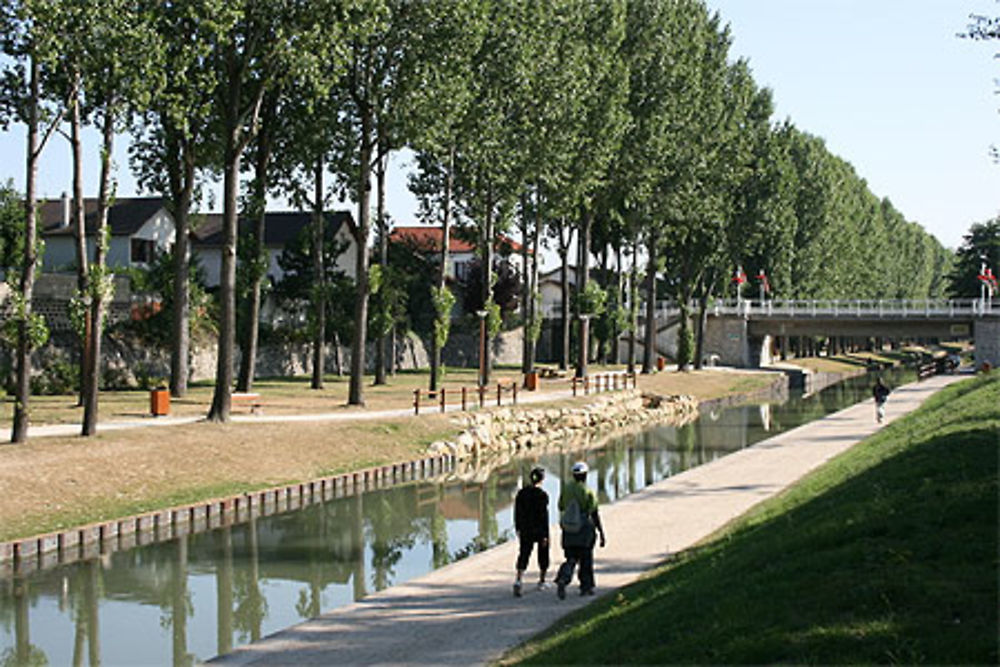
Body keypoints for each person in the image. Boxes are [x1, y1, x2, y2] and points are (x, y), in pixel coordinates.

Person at [554, 461, 606, 599]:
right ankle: (586, 587)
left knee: (571, 558)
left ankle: (563, 578)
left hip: (569, 530)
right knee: (585, 558)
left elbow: (561, 506)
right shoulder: (587, 491)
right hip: (584, 530)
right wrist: (601, 533)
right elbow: (594, 513)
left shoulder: (566, 489)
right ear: (585, 476)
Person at [513, 466, 549, 597]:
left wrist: (517, 528)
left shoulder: (521, 493)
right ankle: (542, 580)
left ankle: (518, 580)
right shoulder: (542, 495)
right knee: (543, 554)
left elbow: (517, 512)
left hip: (525, 529)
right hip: (539, 530)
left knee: (524, 553)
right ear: (542, 479)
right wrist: (545, 535)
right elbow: (544, 516)